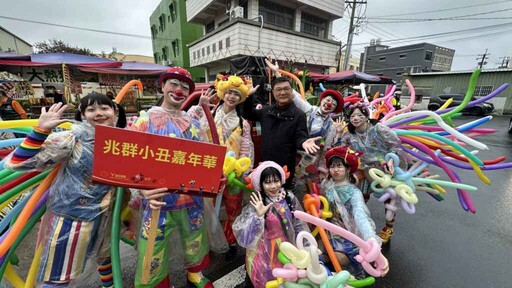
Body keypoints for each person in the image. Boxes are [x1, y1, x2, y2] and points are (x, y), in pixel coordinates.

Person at [5, 93, 127, 287]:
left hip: (108, 215)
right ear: (82, 114)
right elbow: (17, 163)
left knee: (105, 256)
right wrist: (40, 131)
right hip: (72, 218)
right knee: (59, 275)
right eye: (91, 109)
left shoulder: (126, 141)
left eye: (104, 108)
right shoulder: (73, 139)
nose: (98, 113)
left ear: (114, 112)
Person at [130, 67, 226, 288]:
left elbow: (204, 156)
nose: (179, 90)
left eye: (185, 87)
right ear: (162, 86)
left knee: (194, 238)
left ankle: (195, 273)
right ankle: (155, 282)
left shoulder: (191, 122)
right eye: (174, 84)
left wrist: (212, 179)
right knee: (153, 244)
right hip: (157, 200)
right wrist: (141, 189)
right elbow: (130, 161)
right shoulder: (145, 121)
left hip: (191, 198)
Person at [192, 74, 255, 261]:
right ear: (222, 94)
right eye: (229, 92)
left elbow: (246, 151)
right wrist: (199, 106)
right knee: (205, 210)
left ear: (241, 97)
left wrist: (241, 171)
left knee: (233, 210)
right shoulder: (208, 115)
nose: (232, 96)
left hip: (232, 177)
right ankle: (206, 243)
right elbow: (190, 129)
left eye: (236, 93)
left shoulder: (243, 124)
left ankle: (231, 242)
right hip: (208, 173)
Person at [232, 161, 309, 288]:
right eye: (267, 182)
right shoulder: (258, 203)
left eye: (276, 181)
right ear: (260, 184)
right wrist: (258, 215)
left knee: (288, 279)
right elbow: (246, 237)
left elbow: (299, 224)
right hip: (264, 250)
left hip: (287, 247)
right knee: (267, 279)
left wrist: (304, 245)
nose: (273, 186)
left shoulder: (289, 198)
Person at [338, 103, 406, 244]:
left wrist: (392, 161)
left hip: (384, 170)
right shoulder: (349, 134)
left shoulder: (379, 129)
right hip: (363, 170)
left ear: (366, 116)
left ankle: (389, 228)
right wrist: (338, 133)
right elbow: (340, 149)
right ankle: (356, 225)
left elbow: (395, 144)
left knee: (389, 199)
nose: (355, 118)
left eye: (359, 115)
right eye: (352, 116)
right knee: (359, 198)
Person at [243, 75, 320, 189]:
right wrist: (249, 97)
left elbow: (300, 137)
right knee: (266, 194)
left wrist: (303, 142)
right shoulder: (266, 111)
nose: (282, 92)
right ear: (273, 93)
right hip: (266, 164)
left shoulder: (299, 115)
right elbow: (248, 113)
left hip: (285, 167)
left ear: (291, 91)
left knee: (283, 200)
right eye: (279, 90)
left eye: (286, 89)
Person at [322, 146, 389, 278]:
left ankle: (348, 274)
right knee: (317, 252)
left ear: (347, 169)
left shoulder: (354, 193)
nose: (335, 170)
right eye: (332, 166)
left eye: (339, 166)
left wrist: (370, 239)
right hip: (331, 231)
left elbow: (361, 216)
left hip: (349, 234)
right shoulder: (327, 186)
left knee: (338, 258)